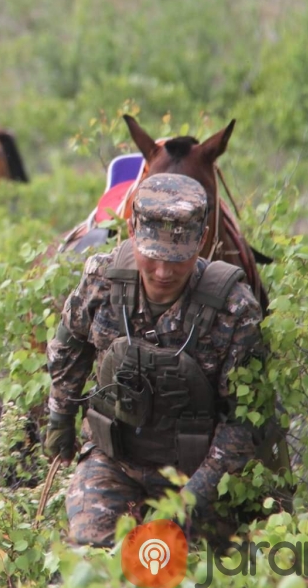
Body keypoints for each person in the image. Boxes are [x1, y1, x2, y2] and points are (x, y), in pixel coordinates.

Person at [43, 173, 278, 546]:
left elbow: (244, 422)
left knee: (186, 582)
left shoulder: (235, 310)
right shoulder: (102, 280)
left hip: (199, 474)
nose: (164, 272)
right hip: (115, 460)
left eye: (178, 258)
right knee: (90, 563)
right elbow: (69, 343)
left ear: (202, 241)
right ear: (133, 231)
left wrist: (193, 498)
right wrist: (60, 416)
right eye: (153, 257)